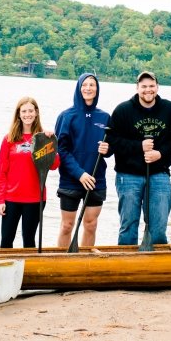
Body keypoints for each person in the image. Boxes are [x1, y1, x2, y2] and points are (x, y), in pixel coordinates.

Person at [104, 71, 171, 246]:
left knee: (159, 226)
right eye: (144, 86)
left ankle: (157, 264)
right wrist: (139, 146)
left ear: (157, 87)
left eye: (151, 86)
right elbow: (112, 141)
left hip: (159, 173)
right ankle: (126, 262)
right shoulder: (123, 110)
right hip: (128, 174)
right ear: (137, 88)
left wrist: (159, 153)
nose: (148, 90)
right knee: (129, 224)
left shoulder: (169, 109)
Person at [0, 97, 60, 248]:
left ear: (36, 113)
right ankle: (6, 271)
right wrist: (0, 200)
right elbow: (1, 172)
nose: (27, 114)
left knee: (29, 240)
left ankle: (27, 271)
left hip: (35, 198)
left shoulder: (43, 138)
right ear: (18, 114)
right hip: (11, 198)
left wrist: (51, 143)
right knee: (6, 240)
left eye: (31, 111)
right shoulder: (9, 139)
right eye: (24, 111)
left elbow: (54, 165)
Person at [54, 74, 111, 248]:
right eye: (84, 85)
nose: (88, 88)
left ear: (97, 89)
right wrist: (80, 174)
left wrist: (108, 149)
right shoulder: (66, 116)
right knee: (67, 226)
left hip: (95, 178)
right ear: (79, 88)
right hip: (71, 180)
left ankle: (85, 261)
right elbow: (61, 150)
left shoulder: (105, 117)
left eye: (92, 85)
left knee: (91, 225)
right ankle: (61, 264)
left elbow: (111, 148)